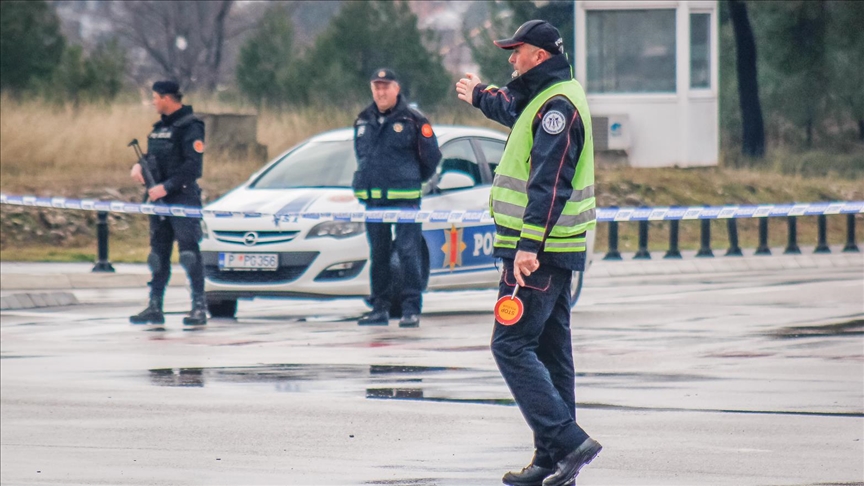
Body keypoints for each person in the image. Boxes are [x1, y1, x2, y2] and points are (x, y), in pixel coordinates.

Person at [455, 20, 601, 486]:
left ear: (538, 54)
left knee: (510, 345)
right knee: (553, 355)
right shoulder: (548, 92)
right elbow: (513, 104)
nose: (510, 58)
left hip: (538, 251)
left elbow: (548, 184)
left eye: (515, 51)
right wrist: (480, 95)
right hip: (554, 250)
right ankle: (553, 462)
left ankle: (566, 440)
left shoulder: (558, 105)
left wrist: (526, 247)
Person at [352, 68, 442, 328]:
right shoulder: (363, 120)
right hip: (373, 201)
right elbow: (363, 157)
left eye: (386, 86)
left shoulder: (413, 119)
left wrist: (412, 180)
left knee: (408, 253)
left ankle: (411, 309)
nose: (381, 91)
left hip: (405, 200)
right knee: (378, 254)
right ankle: (379, 308)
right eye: (376, 87)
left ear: (396, 88)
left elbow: (431, 157)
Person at [129, 80, 207, 328]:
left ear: (166, 98)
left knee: (189, 254)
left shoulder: (191, 126)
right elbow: (154, 158)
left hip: (182, 198)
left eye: (155, 97)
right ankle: (154, 306)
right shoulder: (158, 129)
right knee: (158, 255)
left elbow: (193, 167)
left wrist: (167, 186)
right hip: (158, 200)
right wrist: (139, 166)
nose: (152, 102)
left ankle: (198, 307)